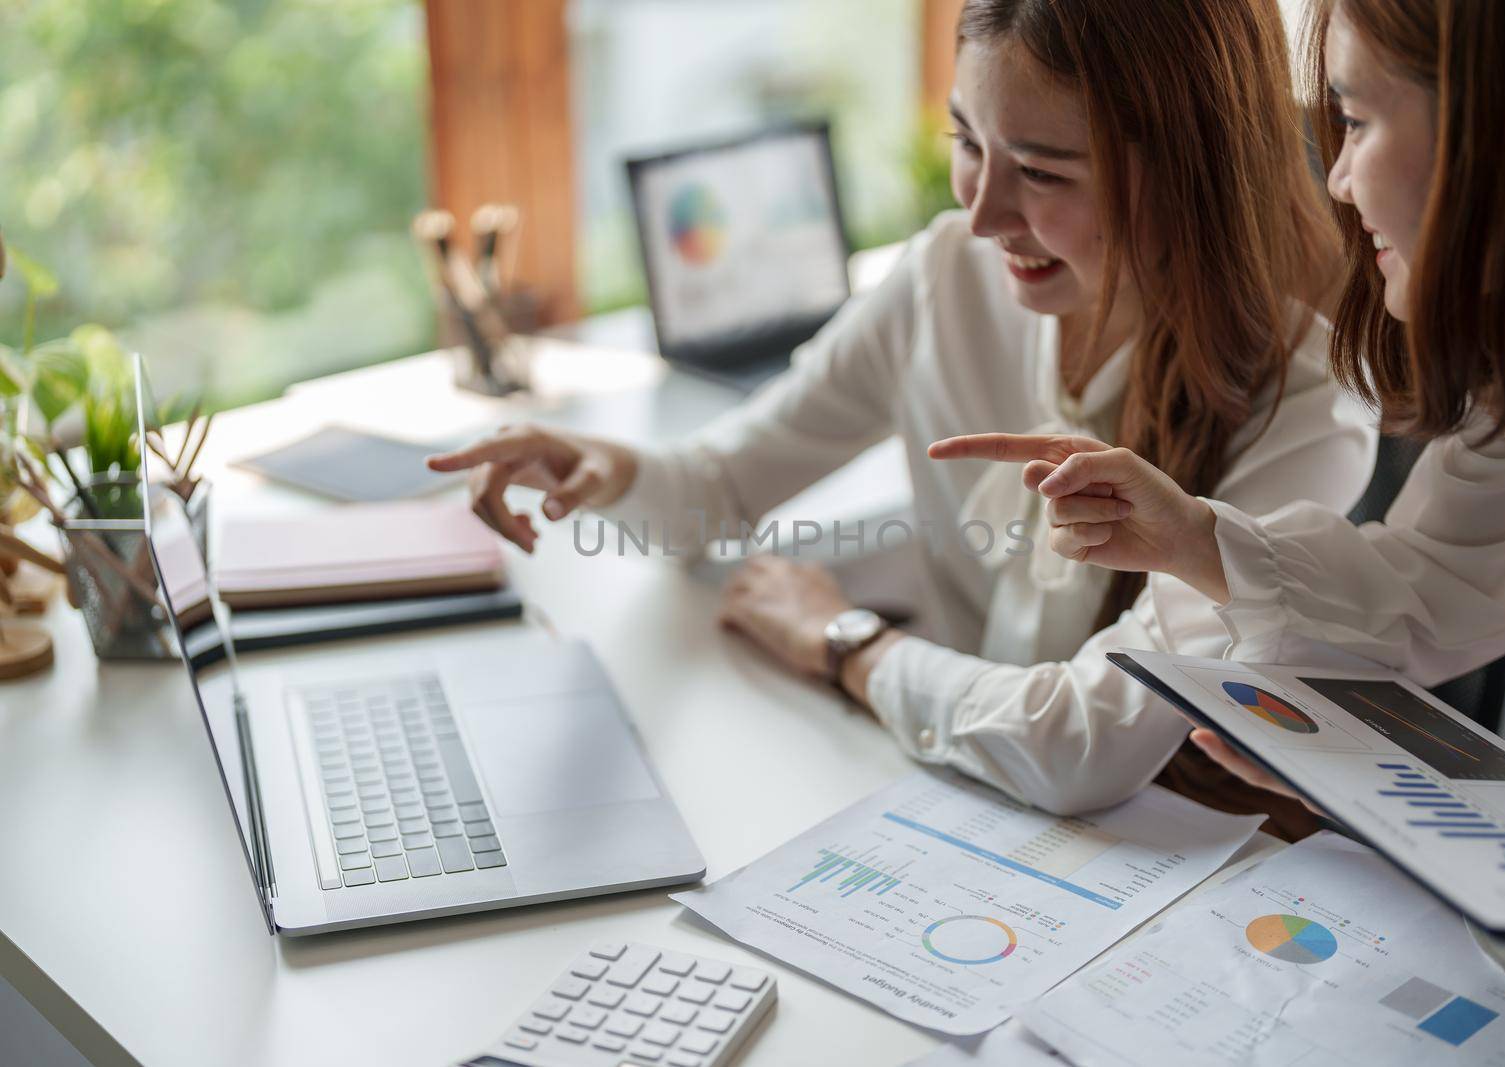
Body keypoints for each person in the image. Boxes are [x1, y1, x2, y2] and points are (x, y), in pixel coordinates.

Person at [428, 0, 1376, 828]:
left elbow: (1080, 745)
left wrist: (846, 643)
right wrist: (605, 468)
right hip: (954, 799)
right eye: (969, 144)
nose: (982, 214)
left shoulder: (1305, 410)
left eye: (1043, 174)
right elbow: (720, 487)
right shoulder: (943, 281)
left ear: (1184, 170)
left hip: (1168, 872)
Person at [932, 0, 1505, 804]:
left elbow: (1077, 742)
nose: (1340, 183)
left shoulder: (1310, 394)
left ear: (1504, 133)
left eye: (1353, 121)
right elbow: (1436, 585)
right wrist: (1195, 539)